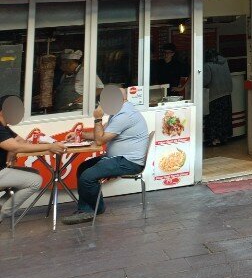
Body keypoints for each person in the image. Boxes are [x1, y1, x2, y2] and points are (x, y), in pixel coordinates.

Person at [62, 88, 149, 225]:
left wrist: (97, 118)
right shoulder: (119, 112)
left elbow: (100, 140)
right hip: (118, 158)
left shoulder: (125, 115)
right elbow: (101, 134)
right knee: (84, 168)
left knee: (88, 176)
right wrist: (80, 135)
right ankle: (96, 207)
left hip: (128, 162)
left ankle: (88, 211)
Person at [0, 96, 65, 221]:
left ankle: (2, 205)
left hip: (2, 170)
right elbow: (17, 147)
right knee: (35, 180)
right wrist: (50, 146)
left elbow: (20, 141)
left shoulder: (4, 128)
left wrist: (13, 150)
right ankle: (3, 213)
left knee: (33, 173)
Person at [203, 48, 233, 146]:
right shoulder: (224, 63)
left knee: (214, 119)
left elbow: (206, 81)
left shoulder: (207, 66)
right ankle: (224, 138)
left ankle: (214, 140)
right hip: (227, 93)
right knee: (224, 117)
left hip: (215, 95)